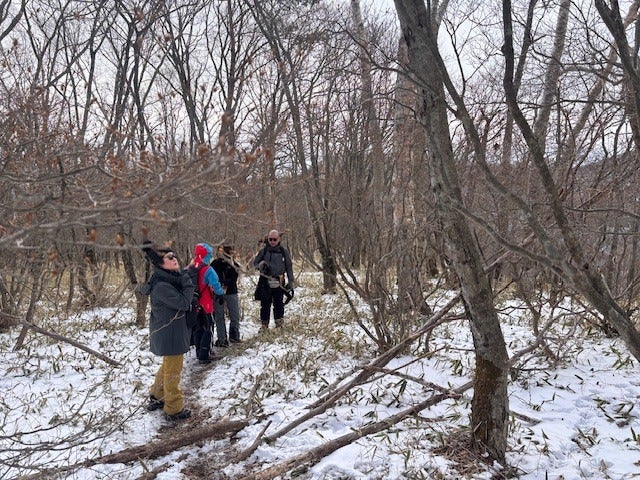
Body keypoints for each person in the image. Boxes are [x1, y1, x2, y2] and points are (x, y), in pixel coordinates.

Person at [140, 241, 194, 421]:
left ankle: (157, 395)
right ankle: (173, 408)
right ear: (160, 264)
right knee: (173, 371)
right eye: (169, 257)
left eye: (174, 255)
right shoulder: (162, 286)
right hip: (170, 334)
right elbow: (184, 303)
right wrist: (186, 278)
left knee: (168, 366)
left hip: (170, 331)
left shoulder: (167, 279)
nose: (174, 258)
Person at [188, 243, 225, 364]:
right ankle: (206, 353)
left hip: (193, 303)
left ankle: (199, 351)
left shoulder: (189, 268)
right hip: (206, 303)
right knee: (208, 327)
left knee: (198, 327)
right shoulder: (208, 269)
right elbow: (215, 284)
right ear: (207, 255)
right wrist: (220, 294)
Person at [253, 230, 295, 329]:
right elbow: (255, 263)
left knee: (279, 304)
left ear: (279, 239)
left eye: (274, 239)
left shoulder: (284, 251)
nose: (272, 241)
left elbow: (289, 266)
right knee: (265, 304)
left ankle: (279, 324)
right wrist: (261, 265)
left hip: (279, 281)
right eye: (270, 239)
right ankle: (264, 325)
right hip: (265, 281)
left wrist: (291, 281)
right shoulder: (263, 251)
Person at [211, 245, 242, 345]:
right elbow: (212, 276)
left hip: (231, 291)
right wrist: (219, 284)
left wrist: (226, 283)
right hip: (217, 291)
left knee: (234, 314)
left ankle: (234, 336)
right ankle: (222, 339)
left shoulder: (233, 264)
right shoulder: (214, 264)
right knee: (219, 316)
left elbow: (234, 277)